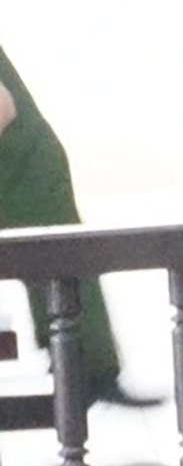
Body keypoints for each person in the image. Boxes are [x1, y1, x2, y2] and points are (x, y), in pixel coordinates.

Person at [0, 44, 134, 404]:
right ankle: (85, 371)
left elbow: (2, 108)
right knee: (60, 271)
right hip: (23, 166)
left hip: (22, 169)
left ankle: (90, 373)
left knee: (62, 267)